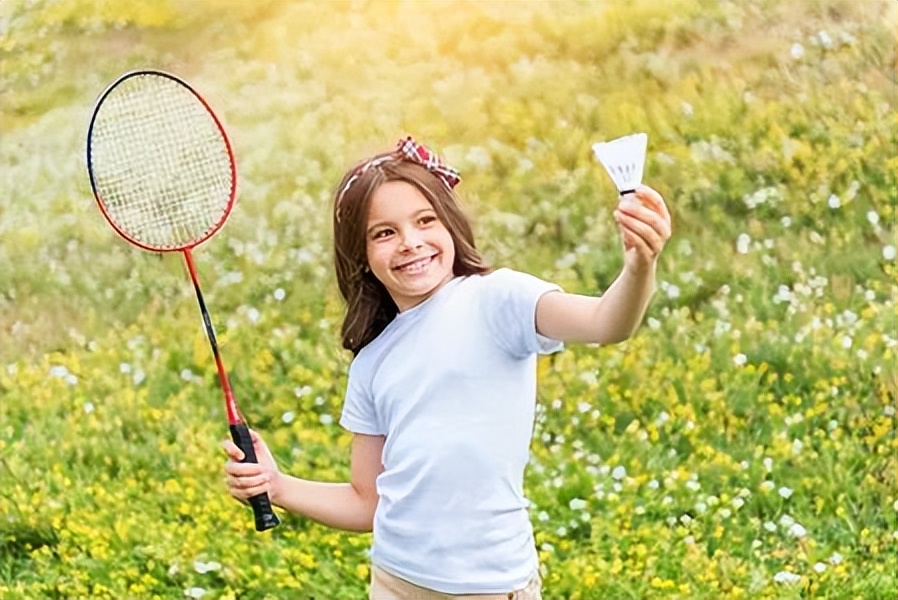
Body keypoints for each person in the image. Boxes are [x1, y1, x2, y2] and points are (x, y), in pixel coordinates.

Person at [223, 136, 672, 599]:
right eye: (384, 233)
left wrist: (640, 265)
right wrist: (278, 486)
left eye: (425, 220)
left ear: (450, 225)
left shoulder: (498, 300)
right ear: (362, 255)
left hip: (491, 585)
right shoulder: (372, 361)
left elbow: (606, 322)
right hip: (396, 582)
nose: (410, 243)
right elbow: (365, 502)